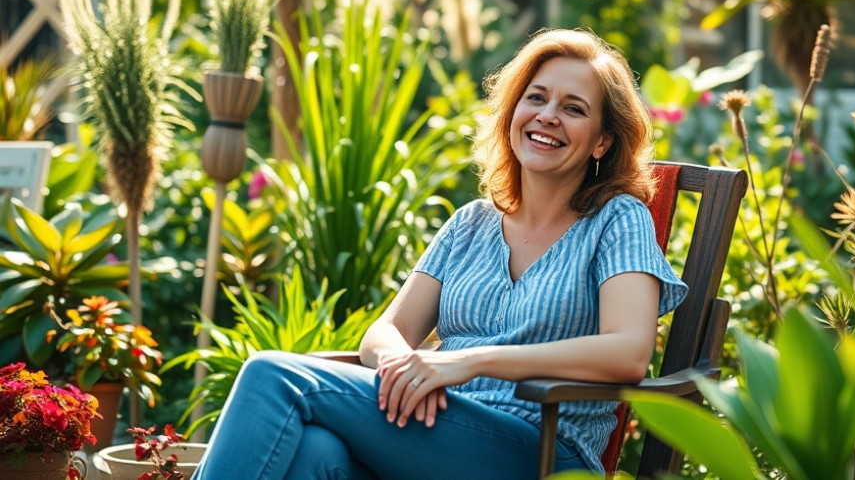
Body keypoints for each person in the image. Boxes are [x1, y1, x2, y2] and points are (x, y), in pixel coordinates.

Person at [193, 28, 687, 480]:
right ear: (513, 113)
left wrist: (469, 362)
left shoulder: (617, 219)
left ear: (602, 141)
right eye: (535, 97)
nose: (548, 116)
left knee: (272, 376)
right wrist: (407, 370)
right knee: (317, 454)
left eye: (574, 108)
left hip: (539, 451)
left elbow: (628, 352)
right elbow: (384, 334)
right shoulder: (470, 223)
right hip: (437, 429)